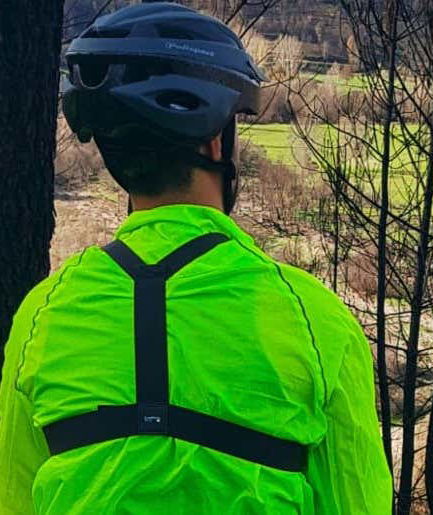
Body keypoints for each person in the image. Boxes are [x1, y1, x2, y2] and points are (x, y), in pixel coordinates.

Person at [0, 3, 391, 514]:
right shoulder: (315, 321)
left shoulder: (44, 314)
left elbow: (15, 497)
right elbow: (357, 502)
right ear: (214, 140)